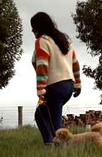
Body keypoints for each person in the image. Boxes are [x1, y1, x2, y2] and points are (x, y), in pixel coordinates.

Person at [30, 12, 82, 146]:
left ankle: (57, 145)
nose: (32, 31)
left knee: (50, 118)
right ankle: (53, 143)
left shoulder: (42, 41)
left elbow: (42, 66)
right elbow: (75, 63)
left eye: (33, 27)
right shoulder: (64, 39)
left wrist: (40, 90)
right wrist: (78, 83)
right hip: (69, 85)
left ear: (38, 27)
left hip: (54, 86)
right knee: (44, 114)